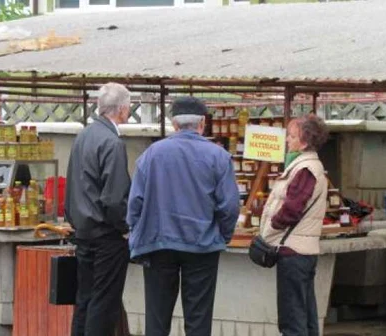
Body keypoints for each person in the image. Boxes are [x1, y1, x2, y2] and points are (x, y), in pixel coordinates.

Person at [126, 96, 240, 336]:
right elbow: (229, 206)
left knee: (156, 317)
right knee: (198, 318)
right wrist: (223, 235)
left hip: (158, 243)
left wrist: (137, 233)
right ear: (202, 124)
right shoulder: (218, 156)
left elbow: (135, 203)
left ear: (174, 125)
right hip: (202, 245)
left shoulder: (151, 155)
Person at [64, 82, 132, 336]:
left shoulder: (83, 136)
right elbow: (114, 197)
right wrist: (124, 227)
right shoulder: (112, 143)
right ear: (123, 110)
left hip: (83, 230)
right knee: (103, 303)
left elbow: (71, 182)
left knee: (85, 299)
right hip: (106, 234)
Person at [259, 114, 329, 336]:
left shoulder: (305, 169)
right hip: (302, 251)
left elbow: (291, 209)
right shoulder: (306, 166)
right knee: (306, 315)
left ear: (305, 141)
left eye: (291, 136)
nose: (287, 140)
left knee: (292, 319)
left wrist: (270, 229)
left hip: (294, 254)